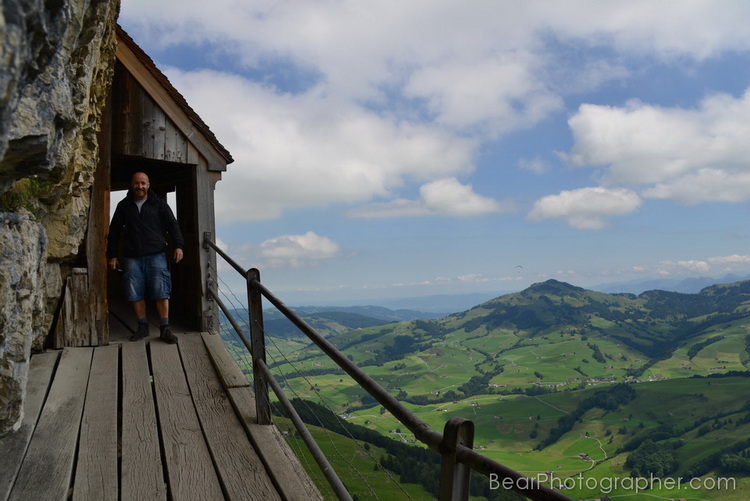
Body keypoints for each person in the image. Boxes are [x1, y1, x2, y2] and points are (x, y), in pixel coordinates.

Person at [107, 172, 184, 343]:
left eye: (143, 183)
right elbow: (114, 231)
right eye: (136, 183)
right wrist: (112, 255)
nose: (139, 186)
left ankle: (165, 329)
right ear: (131, 185)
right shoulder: (124, 206)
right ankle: (142, 327)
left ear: (148, 185)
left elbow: (173, 225)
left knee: (161, 291)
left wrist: (179, 246)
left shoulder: (159, 204)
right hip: (132, 256)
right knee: (134, 292)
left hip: (156, 254)